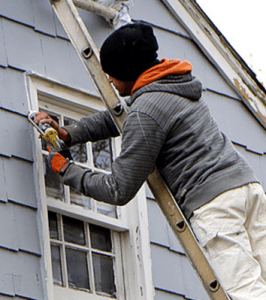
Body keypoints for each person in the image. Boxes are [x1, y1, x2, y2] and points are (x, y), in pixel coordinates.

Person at [34, 23, 266, 299]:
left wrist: (67, 170)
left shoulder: (147, 112)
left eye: (112, 74)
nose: (109, 80)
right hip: (247, 188)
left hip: (214, 206)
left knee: (244, 292)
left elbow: (118, 188)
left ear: (129, 72)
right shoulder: (174, 83)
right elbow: (126, 116)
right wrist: (69, 134)